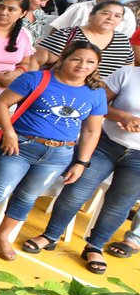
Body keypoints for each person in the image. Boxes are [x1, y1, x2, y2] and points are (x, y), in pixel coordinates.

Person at [0, 44, 106, 261]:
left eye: (90, 62)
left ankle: (2, 235)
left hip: (59, 154)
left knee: (28, 196)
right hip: (19, 146)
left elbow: (92, 130)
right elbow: (1, 104)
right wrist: (9, 133)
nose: (83, 66)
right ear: (63, 58)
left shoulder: (96, 93)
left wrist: (81, 162)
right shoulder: (37, 79)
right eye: (77, 59)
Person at [32, 62, 140, 271]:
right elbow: (98, 104)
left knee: (119, 203)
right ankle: (50, 235)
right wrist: (123, 117)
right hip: (106, 144)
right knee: (76, 190)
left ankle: (95, 247)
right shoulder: (128, 73)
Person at [33, 3, 134, 82]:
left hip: (98, 98)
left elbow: (128, 73)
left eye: (117, 16)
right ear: (91, 15)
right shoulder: (68, 34)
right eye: (105, 13)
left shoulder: (123, 41)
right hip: (57, 91)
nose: (111, 18)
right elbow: (34, 61)